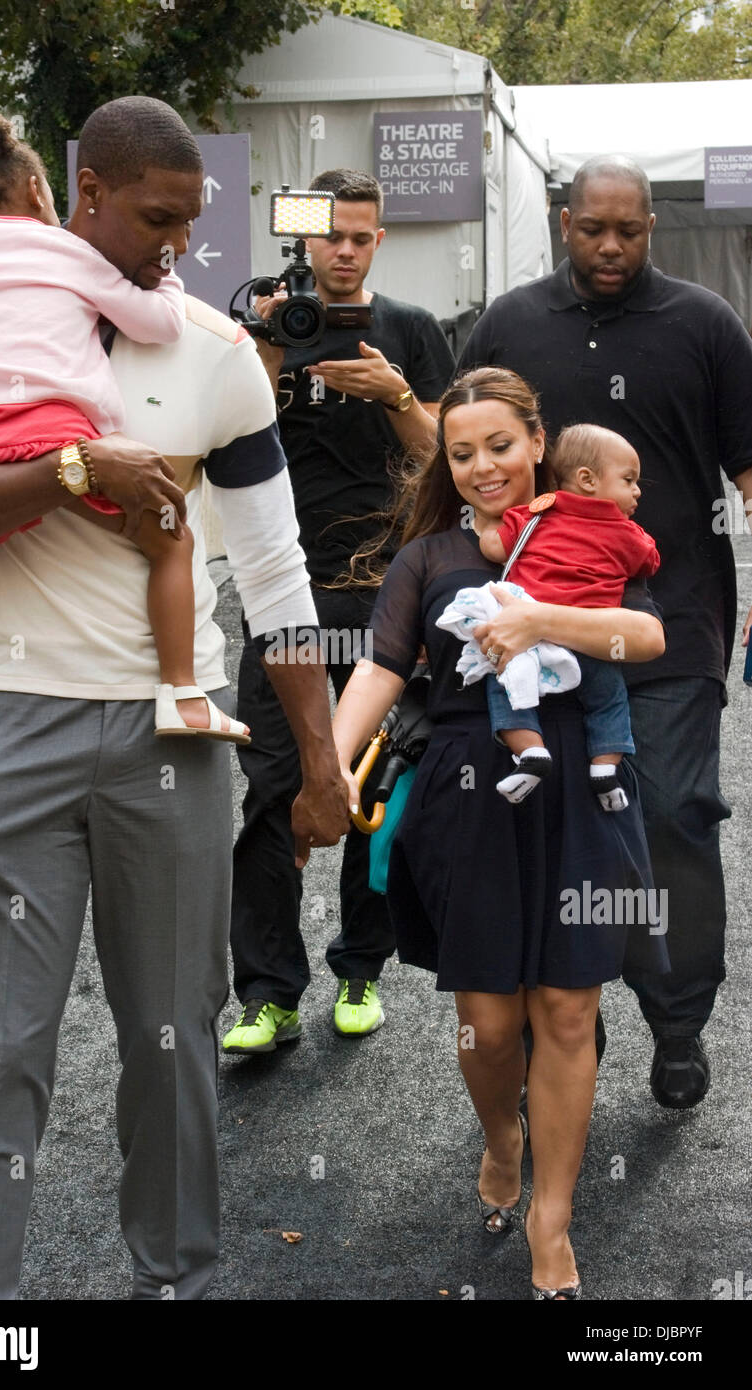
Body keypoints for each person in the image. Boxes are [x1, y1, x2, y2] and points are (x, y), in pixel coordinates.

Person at [0, 95, 349, 1300]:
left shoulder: (213, 351)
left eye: (191, 226)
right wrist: (69, 466)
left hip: (176, 734)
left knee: (173, 1044)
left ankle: (175, 1285)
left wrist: (320, 755)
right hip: (19, 725)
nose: (175, 248)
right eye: (155, 220)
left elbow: (274, 568)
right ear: (80, 194)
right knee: (2, 1052)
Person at [332, 368, 668, 1299]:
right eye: (462, 451)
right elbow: (380, 670)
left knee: (566, 1009)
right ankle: (501, 1136)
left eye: (501, 446)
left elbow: (643, 640)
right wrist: (326, 763)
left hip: (583, 790)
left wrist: (534, 617)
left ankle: (551, 1219)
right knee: (487, 1024)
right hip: (469, 796)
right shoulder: (430, 557)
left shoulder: (586, 527)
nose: (484, 466)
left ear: (537, 442)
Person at [457, 155, 752, 1110]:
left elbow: (749, 470)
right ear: (562, 221)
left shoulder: (705, 325)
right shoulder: (508, 324)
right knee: (546, 821)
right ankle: (558, 1040)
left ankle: (676, 1024)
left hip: (672, 627)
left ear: (650, 229)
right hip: (535, 628)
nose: (612, 246)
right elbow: (469, 451)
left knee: (667, 816)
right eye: (593, 229)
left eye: (629, 230)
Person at [0, 112, 246, 751]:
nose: (177, 243)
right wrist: (171, 288)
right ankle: (182, 693)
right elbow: (155, 324)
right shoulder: (66, 252)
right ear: (39, 193)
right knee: (170, 540)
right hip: (58, 438)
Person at [224, 168, 455, 1053]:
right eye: (331, 237)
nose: (345, 252)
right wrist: (271, 351)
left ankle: (359, 969)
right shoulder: (268, 327)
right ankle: (267, 994)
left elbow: (446, 457)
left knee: (369, 786)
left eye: (361, 237)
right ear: (306, 241)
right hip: (282, 587)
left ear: (379, 241)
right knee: (270, 787)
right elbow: (224, 436)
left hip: (384, 594)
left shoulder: (412, 331)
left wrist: (395, 393)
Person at [465, 423, 659, 809]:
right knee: (609, 700)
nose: (637, 491)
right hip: (589, 639)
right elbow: (649, 562)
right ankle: (605, 767)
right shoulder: (625, 532)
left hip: (528, 644)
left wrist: (484, 527)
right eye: (629, 480)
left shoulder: (536, 516)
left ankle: (531, 751)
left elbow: (495, 547)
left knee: (503, 687)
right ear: (587, 479)